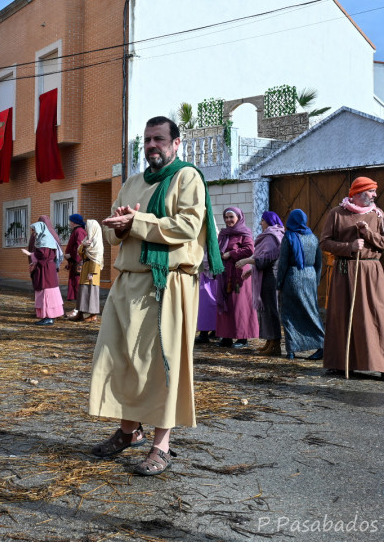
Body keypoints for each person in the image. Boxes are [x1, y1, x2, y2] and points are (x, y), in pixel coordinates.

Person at [88, 116, 222, 476]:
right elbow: (117, 236)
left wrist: (137, 222)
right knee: (121, 359)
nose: (151, 146)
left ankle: (161, 444)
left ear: (176, 143)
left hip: (168, 284)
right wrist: (116, 226)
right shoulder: (132, 182)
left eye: (159, 139)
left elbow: (188, 226)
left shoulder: (186, 177)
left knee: (163, 365)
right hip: (127, 282)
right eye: (147, 140)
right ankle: (129, 431)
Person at [320, 176, 384, 381]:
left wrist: (368, 234)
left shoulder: (379, 215)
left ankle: (382, 365)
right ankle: (340, 363)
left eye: (374, 192)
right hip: (344, 270)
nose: (375, 195)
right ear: (358, 193)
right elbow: (325, 242)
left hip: (370, 271)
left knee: (374, 315)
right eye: (371, 191)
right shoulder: (337, 214)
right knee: (342, 315)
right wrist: (348, 247)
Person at [276, 209, 325, 360]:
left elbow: (283, 263)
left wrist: (279, 284)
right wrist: (315, 281)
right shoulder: (313, 238)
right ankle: (322, 345)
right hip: (309, 277)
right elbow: (319, 263)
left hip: (292, 276)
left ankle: (292, 350)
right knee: (311, 312)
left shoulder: (289, 237)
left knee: (289, 314)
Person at [236, 211, 284, 356]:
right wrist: (251, 271)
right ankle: (269, 341)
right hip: (266, 276)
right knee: (266, 311)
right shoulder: (272, 235)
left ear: (269, 221)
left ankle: (275, 344)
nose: (261, 223)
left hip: (270, 278)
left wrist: (246, 261)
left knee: (270, 310)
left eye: (263, 221)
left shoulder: (271, 236)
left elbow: (264, 260)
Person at [215, 207, 259, 349]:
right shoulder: (223, 234)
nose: (228, 220)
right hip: (225, 273)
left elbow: (250, 249)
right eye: (226, 217)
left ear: (239, 217)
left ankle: (242, 337)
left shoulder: (244, 233)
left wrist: (231, 254)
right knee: (227, 303)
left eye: (231, 217)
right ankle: (227, 336)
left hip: (239, 273)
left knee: (240, 305)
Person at [22, 222, 64, 325]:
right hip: (47, 268)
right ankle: (48, 315)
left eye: (34, 230)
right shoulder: (44, 240)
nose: (33, 233)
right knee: (47, 291)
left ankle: (48, 316)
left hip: (46, 270)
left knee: (46, 292)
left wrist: (31, 254)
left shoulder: (45, 240)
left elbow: (43, 255)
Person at [72, 218, 103, 322]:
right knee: (83, 291)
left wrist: (92, 272)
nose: (86, 230)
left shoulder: (97, 241)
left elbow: (97, 257)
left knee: (91, 291)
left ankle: (93, 314)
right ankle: (80, 312)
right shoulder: (87, 239)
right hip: (85, 267)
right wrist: (83, 245)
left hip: (92, 269)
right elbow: (80, 253)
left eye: (88, 228)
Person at [64, 213, 87, 318]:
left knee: (78, 286)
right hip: (75, 263)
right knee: (76, 286)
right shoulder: (77, 231)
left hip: (78, 264)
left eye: (70, 221)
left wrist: (71, 256)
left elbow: (80, 248)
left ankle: (79, 310)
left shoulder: (79, 231)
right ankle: (78, 309)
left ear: (74, 222)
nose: (69, 223)